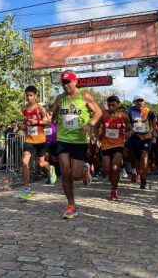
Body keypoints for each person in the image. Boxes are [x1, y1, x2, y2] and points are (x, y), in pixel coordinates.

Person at [51, 71, 102, 218]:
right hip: (63, 139)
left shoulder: (84, 95)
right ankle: (71, 205)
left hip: (80, 140)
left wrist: (90, 124)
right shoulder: (60, 98)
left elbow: (98, 113)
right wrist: (51, 116)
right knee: (65, 173)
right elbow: (53, 115)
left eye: (68, 82)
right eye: (63, 83)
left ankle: (85, 171)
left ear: (75, 81)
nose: (66, 85)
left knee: (76, 175)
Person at [18, 86, 56, 200]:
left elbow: (49, 122)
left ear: (35, 96)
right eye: (27, 95)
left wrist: (37, 121)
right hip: (29, 140)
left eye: (31, 95)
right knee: (24, 162)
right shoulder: (24, 108)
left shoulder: (40, 108)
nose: (28, 98)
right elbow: (25, 122)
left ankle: (51, 169)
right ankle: (27, 189)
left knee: (41, 163)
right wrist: (23, 126)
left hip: (40, 140)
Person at [95, 95, 132, 200]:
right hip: (106, 145)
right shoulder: (103, 115)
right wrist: (97, 139)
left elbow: (130, 128)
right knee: (107, 170)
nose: (111, 107)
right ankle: (113, 177)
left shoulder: (123, 116)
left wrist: (129, 134)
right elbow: (96, 128)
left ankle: (114, 191)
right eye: (109, 105)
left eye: (113, 105)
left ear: (118, 105)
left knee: (115, 167)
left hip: (118, 144)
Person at [126, 96, 156, 189]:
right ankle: (136, 171)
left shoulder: (148, 111)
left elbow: (153, 121)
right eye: (137, 101)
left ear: (144, 102)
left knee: (144, 158)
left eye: (141, 100)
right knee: (135, 159)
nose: (139, 102)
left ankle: (144, 181)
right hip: (134, 136)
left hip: (146, 137)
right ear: (134, 102)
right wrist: (128, 130)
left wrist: (153, 131)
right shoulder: (129, 111)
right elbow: (127, 122)